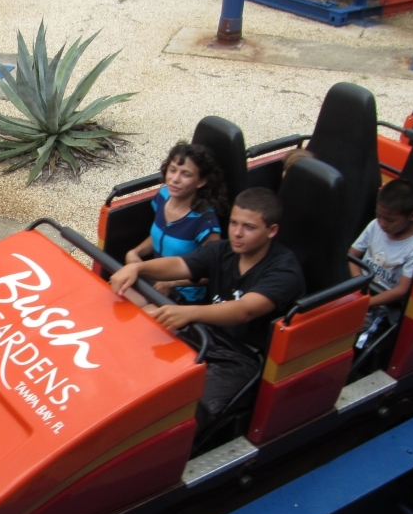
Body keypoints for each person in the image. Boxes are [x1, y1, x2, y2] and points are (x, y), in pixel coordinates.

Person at [110, 188, 305, 433]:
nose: (237, 233)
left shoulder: (284, 271)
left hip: (242, 357)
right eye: (234, 223)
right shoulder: (223, 250)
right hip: (204, 333)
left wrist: (190, 313)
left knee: (186, 412)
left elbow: (246, 309)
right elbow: (181, 264)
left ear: (271, 231)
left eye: (249, 227)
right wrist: (138, 269)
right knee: (132, 352)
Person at [124, 142, 229, 301]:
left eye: (186, 174)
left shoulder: (205, 222)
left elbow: (212, 271)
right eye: (172, 170)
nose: (175, 179)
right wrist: (135, 252)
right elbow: (159, 235)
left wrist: (171, 283)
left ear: (201, 182)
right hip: (154, 280)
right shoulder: (163, 195)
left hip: (181, 295)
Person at [348, 178, 413, 348]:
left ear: (412, 216)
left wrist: (367, 302)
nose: (383, 224)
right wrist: (359, 284)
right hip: (360, 291)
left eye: (390, 220)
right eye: (379, 216)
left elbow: (401, 291)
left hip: (383, 306)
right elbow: (352, 256)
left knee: (352, 332)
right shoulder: (375, 226)